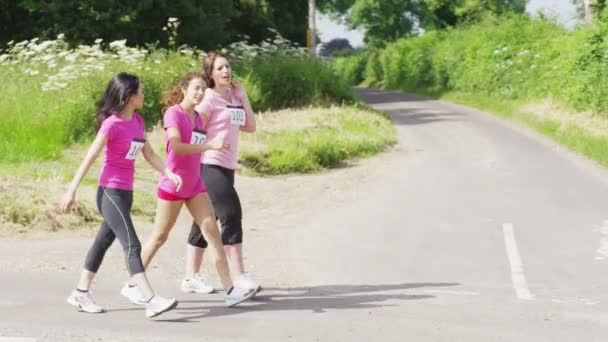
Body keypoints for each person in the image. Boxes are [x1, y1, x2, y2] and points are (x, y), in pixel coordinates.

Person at [121, 72, 257, 307]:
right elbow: (176, 147)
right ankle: (133, 284)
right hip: (174, 184)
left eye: (203, 89)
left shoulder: (197, 118)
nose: (200, 92)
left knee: (213, 233)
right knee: (159, 237)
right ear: (183, 89)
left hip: (195, 185)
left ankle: (230, 290)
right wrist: (210, 145)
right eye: (195, 88)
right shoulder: (173, 113)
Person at [60, 72, 180, 318]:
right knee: (132, 244)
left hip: (126, 192)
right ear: (129, 96)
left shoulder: (137, 121)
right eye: (141, 91)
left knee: (102, 242)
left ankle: (80, 292)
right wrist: (71, 189)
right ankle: (150, 299)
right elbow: (90, 156)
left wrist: (168, 172)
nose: (144, 94)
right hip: (110, 193)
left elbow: (149, 154)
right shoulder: (111, 124)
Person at [181, 52, 261, 295]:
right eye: (220, 68)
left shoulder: (233, 97)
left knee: (205, 220)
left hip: (228, 166)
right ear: (211, 74)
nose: (226, 71)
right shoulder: (209, 100)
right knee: (231, 214)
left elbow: (250, 126)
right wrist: (203, 150)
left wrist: (244, 98)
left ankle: (190, 278)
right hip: (210, 164)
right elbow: (195, 130)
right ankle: (239, 277)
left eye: (228, 66)